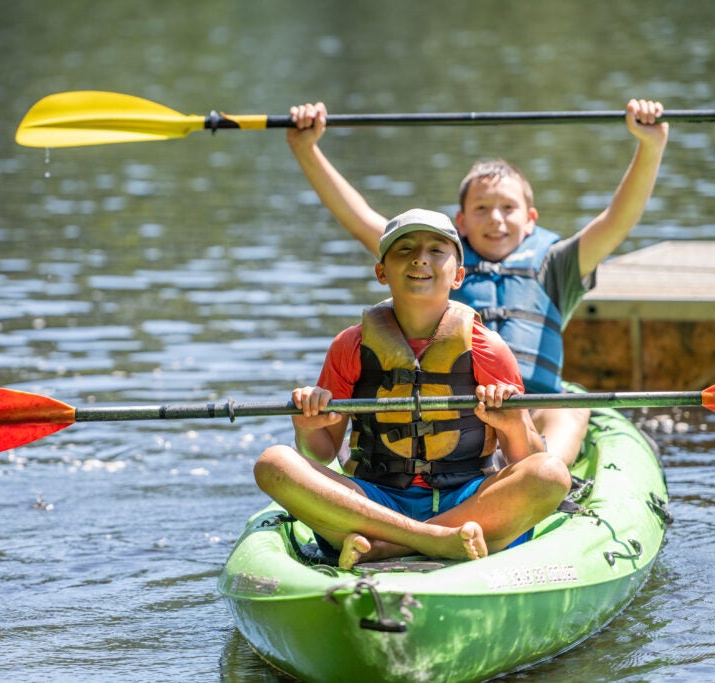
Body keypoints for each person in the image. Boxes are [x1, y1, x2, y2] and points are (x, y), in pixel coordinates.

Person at [286, 98, 669, 465]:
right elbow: (359, 218)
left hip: (529, 410)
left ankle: (538, 478)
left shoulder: (557, 265)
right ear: (462, 221)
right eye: (482, 209)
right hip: (456, 413)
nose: (496, 219)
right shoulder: (435, 263)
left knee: (568, 407)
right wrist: (307, 149)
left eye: (508, 208)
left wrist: (651, 145)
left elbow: (617, 220)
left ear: (530, 218)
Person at [253, 208, 572, 570]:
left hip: (465, 498)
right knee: (273, 462)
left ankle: (387, 547)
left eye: (437, 250)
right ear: (381, 272)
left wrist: (511, 422)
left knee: (550, 473)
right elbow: (321, 454)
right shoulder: (349, 346)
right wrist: (306, 423)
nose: (420, 257)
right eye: (404, 249)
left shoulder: (488, 347)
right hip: (374, 499)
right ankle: (432, 541)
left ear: (459, 276)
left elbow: (524, 459)